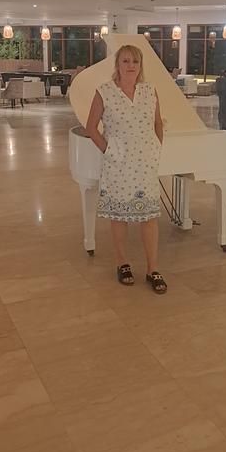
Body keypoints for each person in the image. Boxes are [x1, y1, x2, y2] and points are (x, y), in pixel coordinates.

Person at [85, 45, 167, 294]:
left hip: (145, 164)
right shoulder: (105, 92)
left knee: (149, 217)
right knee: (120, 216)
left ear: (140, 65)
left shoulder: (149, 90)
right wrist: (109, 151)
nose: (131, 66)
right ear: (118, 65)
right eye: (126, 61)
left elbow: (157, 122)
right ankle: (122, 263)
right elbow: (91, 128)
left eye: (135, 61)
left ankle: (153, 268)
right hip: (118, 165)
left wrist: (156, 147)